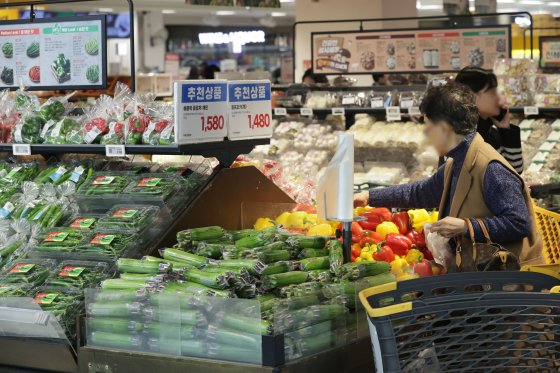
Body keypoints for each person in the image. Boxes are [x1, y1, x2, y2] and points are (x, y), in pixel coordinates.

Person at [354, 83, 539, 264]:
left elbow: (519, 223)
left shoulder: (491, 169)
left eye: (428, 127)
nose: (426, 135)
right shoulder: (458, 160)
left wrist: (466, 226)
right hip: (478, 269)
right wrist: (369, 196)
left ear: (445, 129)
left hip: (505, 280)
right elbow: (421, 192)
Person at [455, 66, 523, 173]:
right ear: (470, 96)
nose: (499, 98)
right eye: (492, 92)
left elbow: (515, 172)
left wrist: (505, 129)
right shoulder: (466, 138)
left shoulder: (490, 131)